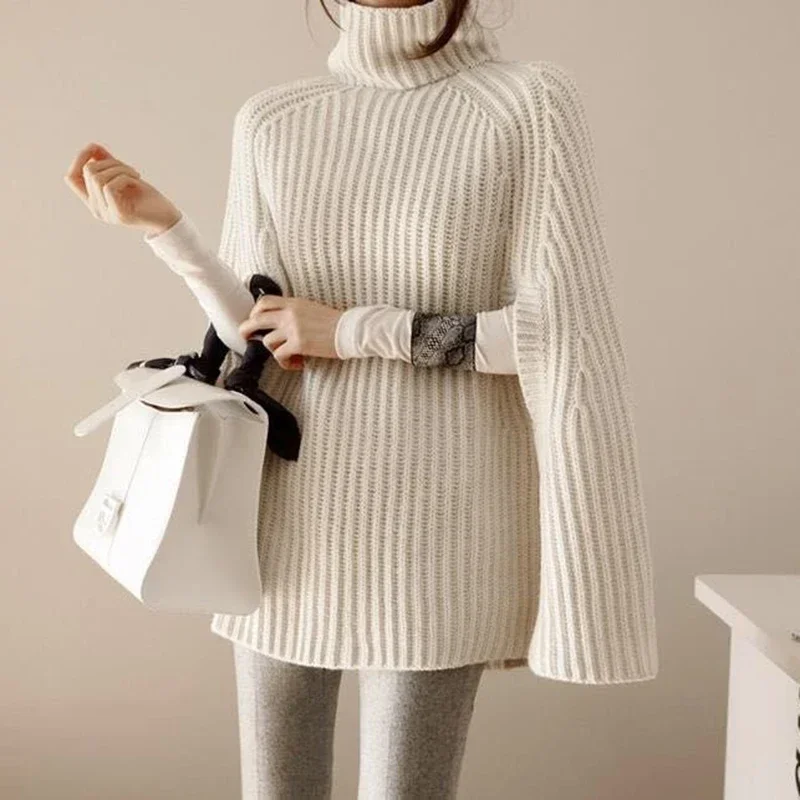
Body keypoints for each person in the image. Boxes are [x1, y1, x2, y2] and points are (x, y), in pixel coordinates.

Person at [63, 0, 659, 796]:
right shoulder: (274, 119)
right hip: (280, 522)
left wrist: (352, 330)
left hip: (442, 534)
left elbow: (559, 333)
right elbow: (254, 334)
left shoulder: (526, 103)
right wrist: (167, 232)